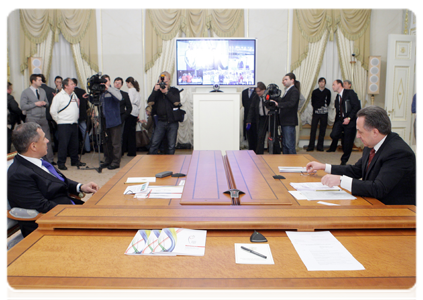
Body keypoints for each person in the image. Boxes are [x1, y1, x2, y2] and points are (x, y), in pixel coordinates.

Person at [306, 106, 419, 207]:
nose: (358, 136)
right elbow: (357, 170)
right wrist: (323, 166)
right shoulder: (371, 144)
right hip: (375, 204)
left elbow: (378, 188)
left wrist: (340, 180)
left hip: (399, 212)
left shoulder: (399, 153)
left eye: (360, 132)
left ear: (375, 132)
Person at [5, 122, 99, 237]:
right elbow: (42, 207)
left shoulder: (37, 159)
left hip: (67, 211)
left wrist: (80, 187)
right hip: (51, 225)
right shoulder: (18, 175)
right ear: (33, 146)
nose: (48, 141)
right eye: (44, 138)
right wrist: (78, 213)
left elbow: (58, 180)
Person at [50, 78, 86, 170]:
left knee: (74, 144)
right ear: (66, 86)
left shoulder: (73, 95)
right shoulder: (58, 96)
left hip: (74, 123)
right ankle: (61, 163)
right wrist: (59, 121)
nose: (74, 85)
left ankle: (75, 161)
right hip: (63, 124)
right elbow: (53, 111)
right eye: (72, 84)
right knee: (63, 144)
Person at [20, 74, 55, 163]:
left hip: (43, 118)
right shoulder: (25, 92)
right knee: (33, 139)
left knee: (47, 138)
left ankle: (49, 159)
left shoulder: (42, 91)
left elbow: (47, 103)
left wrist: (44, 103)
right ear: (33, 81)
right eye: (39, 80)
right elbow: (23, 106)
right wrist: (35, 104)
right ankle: (34, 159)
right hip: (32, 118)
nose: (41, 82)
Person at [326, 79, 361, 165]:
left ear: (339, 84)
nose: (332, 86)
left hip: (350, 121)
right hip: (340, 121)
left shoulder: (350, 93)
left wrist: (349, 118)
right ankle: (344, 136)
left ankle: (344, 161)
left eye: (334, 84)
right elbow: (338, 111)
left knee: (347, 144)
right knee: (333, 135)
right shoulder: (337, 97)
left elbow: (357, 107)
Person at [148, 71, 181, 155]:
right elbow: (150, 102)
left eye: (165, 82)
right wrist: (155, 90)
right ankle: (151, 163)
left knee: (171, 145)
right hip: (160, 121)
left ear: (169, 80)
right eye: (161, 82)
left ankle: (170, 164)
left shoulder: (174, 90)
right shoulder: (157, 92)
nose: (163, 84)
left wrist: (166, 92)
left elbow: (176, 102)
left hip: (172, 121)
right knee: (154, 143)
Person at [99, 74, 123, 170]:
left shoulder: (113, 90)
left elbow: (119, 98)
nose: (105, 83)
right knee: (106, 142)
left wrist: (108, 88)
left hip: (114, 121)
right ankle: (107, 160)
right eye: (103, 81)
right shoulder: (101, 92)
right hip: (104, 120)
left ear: (109, 82)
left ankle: (116, 162)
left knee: (115, 143)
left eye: (107, 81)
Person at [274, 73, 300, 154]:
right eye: (283, 80)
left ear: (292, 80)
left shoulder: (294, 91)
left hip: (289, 121)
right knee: (285, 144)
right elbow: (284, 101)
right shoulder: (287, 90)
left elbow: (291, 103)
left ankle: (292, 163)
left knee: (289, 144)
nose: (283, 81)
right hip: (285, 121)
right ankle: (286, 162)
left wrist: (279, 104)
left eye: (286, 79)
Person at [307, 77, 331, 151]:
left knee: (322, 130)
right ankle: (311, 146)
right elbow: (313, 102)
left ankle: (320, 146)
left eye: (323, 82)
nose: (321, 83)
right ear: (318, 83)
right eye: (320, 82)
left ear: (325, 83)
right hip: (316, 113)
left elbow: (328, 102)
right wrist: (317, 107)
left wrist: (323, 107)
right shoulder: (315, 92)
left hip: (324, 113)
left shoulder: (328, 91)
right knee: (313, 129)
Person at [245, 82, 270, 154]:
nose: (258, 93)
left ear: (264, 90)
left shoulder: (269, 95)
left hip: (269, 118)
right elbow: (251, 109)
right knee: (260, 137)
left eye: (259, 91)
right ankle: (259, 154)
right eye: (256, 91)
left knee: (273, 138)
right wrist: (248, 120)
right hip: (261, 119)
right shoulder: (255, 97)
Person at [123, 77, 141, 156]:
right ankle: (132, 151)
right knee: (132, 133)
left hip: (130, 111)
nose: (126, 85)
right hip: (136, 112)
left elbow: (128, 101)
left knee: (126, 132)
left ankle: (123, 150)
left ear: (129, 83)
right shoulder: (137, 91)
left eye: (127, 83)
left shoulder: (130, 91)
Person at [73, 78, 90, 154]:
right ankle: (88, 148)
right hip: (82, 115)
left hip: (73, 116)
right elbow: (86, 104)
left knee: (74, 133)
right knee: (84, 132)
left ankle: (77, 149)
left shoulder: (71, 92)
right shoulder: (82, 91)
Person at [5, 81, 24, 154]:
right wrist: (21, 116)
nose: (12, 90)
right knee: (7, 140)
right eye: (11, 88)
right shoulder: (9, 97)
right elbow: (15, 108)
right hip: (7, 122)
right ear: (7, 89)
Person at [113, 77, 132, 142]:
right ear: (113, 84)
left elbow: (129, 107)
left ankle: (120, 151)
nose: (117, 84)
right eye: (116, 82)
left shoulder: (125, 95)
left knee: (119, 136)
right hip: (111, 118)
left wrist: (124, 116)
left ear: (121, 85)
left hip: (121, 118)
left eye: (119, 83)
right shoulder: (109, 93)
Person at [412, 91, 420, 169]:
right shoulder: (417, 95)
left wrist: (419, 108)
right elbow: (413, 109)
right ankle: (420, 163)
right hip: (418, 122)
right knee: (419, 145)